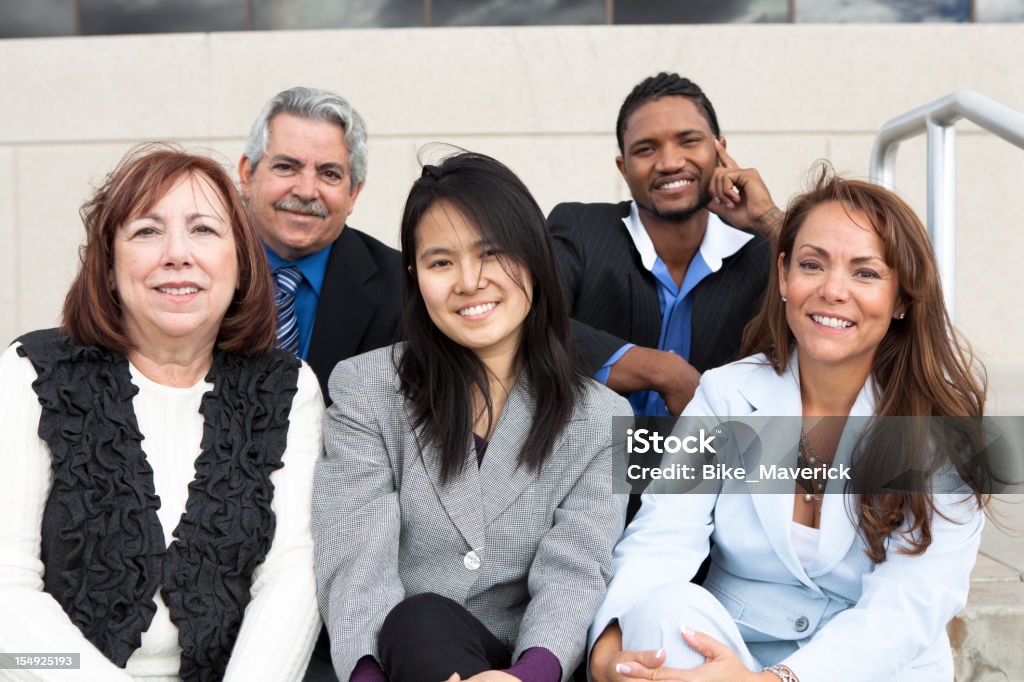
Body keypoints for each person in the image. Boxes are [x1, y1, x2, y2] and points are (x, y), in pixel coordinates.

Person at [588, 168, 990, 682]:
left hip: (869, 669)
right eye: (811, 265)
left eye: (865, 273)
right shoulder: (727, 393)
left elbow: (908, 605)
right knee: (665, 609)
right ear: (783, 276)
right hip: (728, 652)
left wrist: (776, 681)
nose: (832, 290)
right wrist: (607, 650)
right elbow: (662, 536)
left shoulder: (944, 431)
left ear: (903, 298)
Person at [0, 147, 323, 680]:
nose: (177, 253)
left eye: (204, 230)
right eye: (147, 231)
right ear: (108, 265)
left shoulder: (286, 388)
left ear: (241, 261)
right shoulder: (30, 373)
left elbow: (293, 578)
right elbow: (7, 603)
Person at [313, 152, 631, 682]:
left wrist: (526, 677)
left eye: (491, 254)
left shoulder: (600, 417)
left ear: (533, 259)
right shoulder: (366, 387)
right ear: (414, 276)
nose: (468, 281)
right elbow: (354, 558)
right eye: (441, 262)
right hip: (397, 659)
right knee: (420, 622)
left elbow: (576, 567)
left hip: (524, 665)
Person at [548, 72, 782, 416]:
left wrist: (770, 220)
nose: (670, 163)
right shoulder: (580, 229)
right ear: (623, 168)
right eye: (646, 149)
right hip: (596, 463)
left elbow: (842, 301)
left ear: (720, 151)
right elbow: (527, 318)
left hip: (718, 461)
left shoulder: (765, 253)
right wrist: (662, 371)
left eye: (688, 141)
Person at [239, 86, 403, 399]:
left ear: (353, 193)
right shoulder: (195, 272)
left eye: (328, 174)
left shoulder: (403, 289)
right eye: (287, 167)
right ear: (248, 175)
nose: (306, 191)